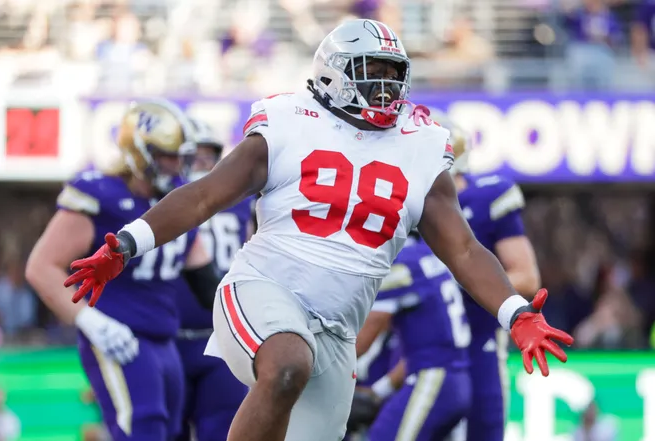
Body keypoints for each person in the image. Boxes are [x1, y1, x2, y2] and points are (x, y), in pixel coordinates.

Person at [62, 19, 573, 441]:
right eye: (371, 71)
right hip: (261, 290)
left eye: (394, 74)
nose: (386, 86)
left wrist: (517, 313)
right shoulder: (288, 121)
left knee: (303, 392)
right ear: (334, 73)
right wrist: (127, 244)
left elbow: (462, 247)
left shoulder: (421, 145)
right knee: (286, 365)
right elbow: (203, 195)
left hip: (335, 329)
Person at [26, 99, 220, 441]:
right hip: (119, 337)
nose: (177, 166)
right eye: (168, 155)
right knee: (141, 430)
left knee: (171, 433)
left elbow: (207, 284)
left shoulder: (177, 198)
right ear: (139, 153)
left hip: (165, 338)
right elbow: (41, 267)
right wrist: (90, 321)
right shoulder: (101, 195)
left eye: (181, 156)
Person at [444, 115, 542, 441]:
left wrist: (450, 285)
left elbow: (526, 278)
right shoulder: (397, 198)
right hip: (413, 344)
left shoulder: (486, 196)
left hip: (477, 343)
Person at [353, 233, 472, 440]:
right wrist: (379, 391)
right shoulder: (429, 255)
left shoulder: (401, 264)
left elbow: (360, 343)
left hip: (431, 381)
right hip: (455, 380)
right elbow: (427, 346)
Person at [175, 118, 250, 441]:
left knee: (222, 430)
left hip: (220, 337)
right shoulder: (163, 202)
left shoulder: (244, 202)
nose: (202, 165)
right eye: (195, 156)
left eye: (209, 156)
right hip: (170, 337)